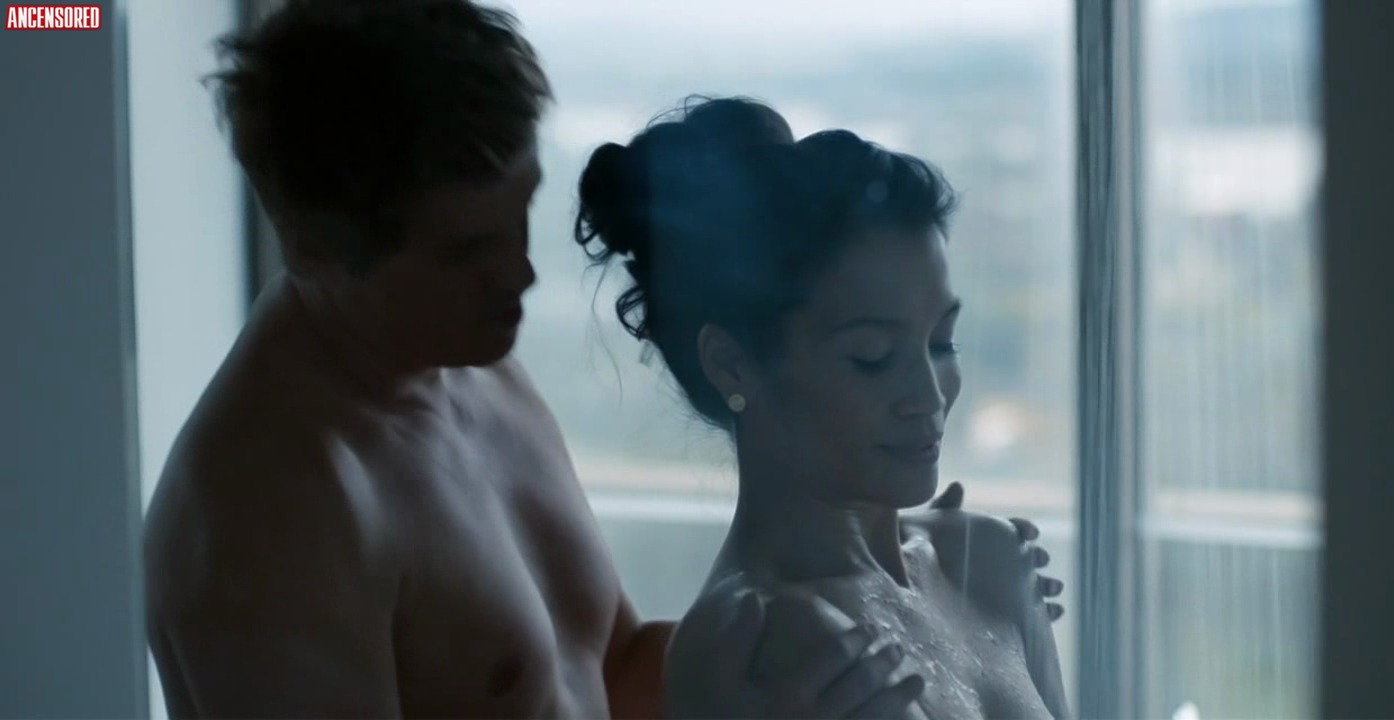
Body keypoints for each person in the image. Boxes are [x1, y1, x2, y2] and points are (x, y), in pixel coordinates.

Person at [143, 1, 1063, 717]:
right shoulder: (264, 525)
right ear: (314, 248)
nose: (520, 272)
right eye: (466, 250)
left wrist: (891, 595)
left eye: (520, 212)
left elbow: (611, 669)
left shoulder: (463, 364)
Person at [573, 96, 1071, 719]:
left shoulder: (985, 559)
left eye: (942, 342)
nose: (929, 395)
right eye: (872, 357)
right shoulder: (760, 639)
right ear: (731, 364)